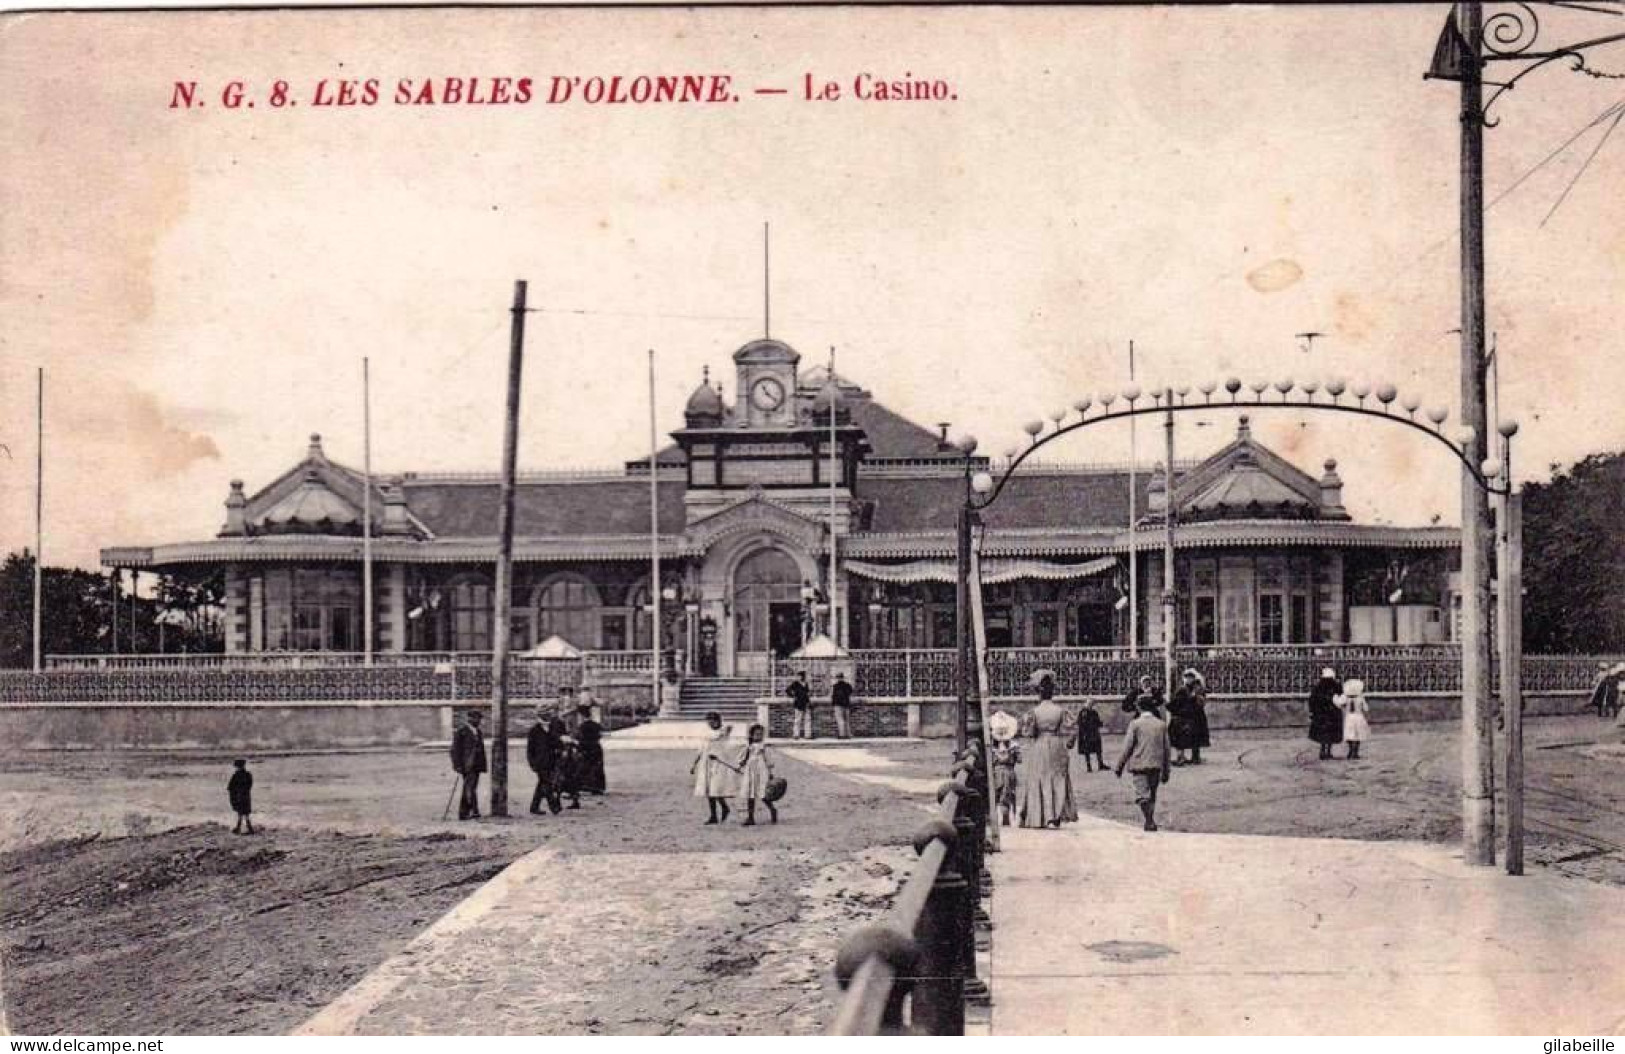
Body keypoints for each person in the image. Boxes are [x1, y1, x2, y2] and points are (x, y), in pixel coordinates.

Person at [1016, 672, 1078, 829]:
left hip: (1040, 745)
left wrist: (1026, 726)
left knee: (1039, 777)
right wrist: (1070, 742)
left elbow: (1028, 733)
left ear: (1039, 692)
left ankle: (1042, 816)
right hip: (1057, 745)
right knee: (1057, 778)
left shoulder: (1034, 712)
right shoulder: (1060, 710)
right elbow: (1073, 728)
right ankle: (1054, 816)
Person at [1115, 696, 1172, 831]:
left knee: (1142, 795)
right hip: (1156, 765)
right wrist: (1166, 770)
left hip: (1139, 764)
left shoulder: (1135, 724)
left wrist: (1119, 766)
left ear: (1139, 707)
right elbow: (1167, 750)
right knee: (1152, 794)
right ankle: (1150, 821)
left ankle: (1149, 820)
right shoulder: (1161, 724)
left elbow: (1127, 747)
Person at [691, 711, 741, 824]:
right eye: (709, 722)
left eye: (714, 721)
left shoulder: (722, 733)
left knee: (716, 788)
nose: (711, 724)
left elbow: (726, 731)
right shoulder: (706, 735)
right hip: (706, 763)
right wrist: (694, 764)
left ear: (718, 721)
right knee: (709, 790)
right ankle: (713, 815)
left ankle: (724, 807)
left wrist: (724, 728)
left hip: (718, 764)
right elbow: (701, 750)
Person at [737, 723, 779, 826]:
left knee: (763, 793)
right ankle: (751, 818)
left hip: (761, 771)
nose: (759, 736)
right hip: (750, 771)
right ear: (751, 735)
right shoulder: (748, 747)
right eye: (756, 734)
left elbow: (768, 760)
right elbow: (743, 759)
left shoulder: (763, 747)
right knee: (750, 794)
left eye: (761, 734)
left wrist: (770, 773)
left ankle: (772, 809)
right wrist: (740, 766)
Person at [1168, 668, 1211, 765]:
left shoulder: (1197, 688)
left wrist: (1197, 697)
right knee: (1183, 737)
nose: (1188, 679)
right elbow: (1176, 702)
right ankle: (1182, 757)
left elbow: (1202, 700)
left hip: (1196, 715)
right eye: (1187, 677)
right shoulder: (1182, 689)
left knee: (1196, 736)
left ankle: (1195, 757)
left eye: (1190, 677)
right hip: (1186, 715)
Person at [450, 709, 487, 821]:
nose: (478, 721)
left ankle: (473, 811)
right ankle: (465, 812)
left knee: (472, 788)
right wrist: (457, 765)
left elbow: (481, 749)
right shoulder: (462, 731)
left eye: (479, 718)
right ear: (469, 719)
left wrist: (483, 764)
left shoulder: (478, 732)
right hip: (467, 764)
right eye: (475, 718)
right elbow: (455, 750)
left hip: (476, 764)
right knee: (469, 788)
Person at [527, 707, 562, 815]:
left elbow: (557, 742)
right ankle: (554, 806)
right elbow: (530, 749)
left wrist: (559, 749)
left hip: (552, 760)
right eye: (546, 714)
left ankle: (534, 807)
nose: (548, 716)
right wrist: (532, 763)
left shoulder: (552, 728)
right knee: (547, 783)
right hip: (540, 762)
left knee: (542, 783)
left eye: (549, 714)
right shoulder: (534, 730)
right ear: (540, 716)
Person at [1307, 667, 1344, 761]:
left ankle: (1323, 751)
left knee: (1323, 734)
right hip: (1332, 714)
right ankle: (1328, 751)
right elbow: (1341, 698)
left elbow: (1312, 700)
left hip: (1320, 714)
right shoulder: (1336, 686)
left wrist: (1312, 711)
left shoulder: (1318, 687)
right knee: (1330, 733)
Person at [575, 703, 606, 795]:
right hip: (596, 747)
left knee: (585, 767)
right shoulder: (596, 725)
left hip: (586, 748)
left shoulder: (582, 726)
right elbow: (600, 735)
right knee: (597, 767)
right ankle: (598, 787)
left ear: (582, 716)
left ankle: (587, 787)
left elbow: (580, 738)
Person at [1337, 678, 1372, 760]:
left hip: (1349, 717)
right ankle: (1355, 752)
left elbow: (1339, 704)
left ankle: (1350, 751)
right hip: (1358, 717)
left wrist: (1342, 706)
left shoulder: (1345, 697)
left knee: (1350, 735)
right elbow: (1366, 708)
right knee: (1358, 735)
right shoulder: (1360, 697)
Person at [990, 736, 1021, 825]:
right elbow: (1019, 760)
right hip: (1005, 772)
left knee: (1003, 793)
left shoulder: (993, 748)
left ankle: (1004, 816)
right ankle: (1003, 816)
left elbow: (1019, 760)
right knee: (1005, 793)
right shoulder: (1012, 747)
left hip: (1001, 772)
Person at [554, 716, 583, 810]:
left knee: (559, 780)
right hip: (571, 762)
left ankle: (557, 800)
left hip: (562, 761)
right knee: (571, 780)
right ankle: (574, 800)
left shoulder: (559, 737)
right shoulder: (569, 737)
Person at [1075, 698, 1105, 773]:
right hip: (1087, 734)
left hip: (1093, 733)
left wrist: (1100, 723)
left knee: (1097, 749)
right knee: (1087, 750)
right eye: (1090, 704)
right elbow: (1081, 723)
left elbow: (1097, 722)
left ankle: (1100, 764)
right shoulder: (1084, 712)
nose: (1091, 705)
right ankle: (1089, 766)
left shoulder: (1093, 712)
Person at [227, 759, 255, 835]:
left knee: (240, 812)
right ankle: (248, 827)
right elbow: (250, 784)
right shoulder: (248, 774)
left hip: (238, 796)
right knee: (246, 813)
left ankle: (239, 828)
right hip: (246, 795)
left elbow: (230, 787)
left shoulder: (236, 775)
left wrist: (234, 793)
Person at [787, 671, 813, 740]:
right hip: (798, 703)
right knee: (797, 720)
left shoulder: (806, 684)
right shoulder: (795, 684)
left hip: (806, 703)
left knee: (807, 719)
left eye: (801, 676)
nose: (800, 677)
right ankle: (796, 734)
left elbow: (808, 693)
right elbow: (787, 690)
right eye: (799, 676)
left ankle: (808, 735)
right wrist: (793, 696)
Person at [831, 671, 854, 739]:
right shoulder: (848, 685)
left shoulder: (835, 686)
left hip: (838, 704)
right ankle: (848, 734)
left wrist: (833, 703)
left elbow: (833, 696)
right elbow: (850, 693)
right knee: (847, 720)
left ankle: (842, 734)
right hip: (846, 704)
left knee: (840, 720)